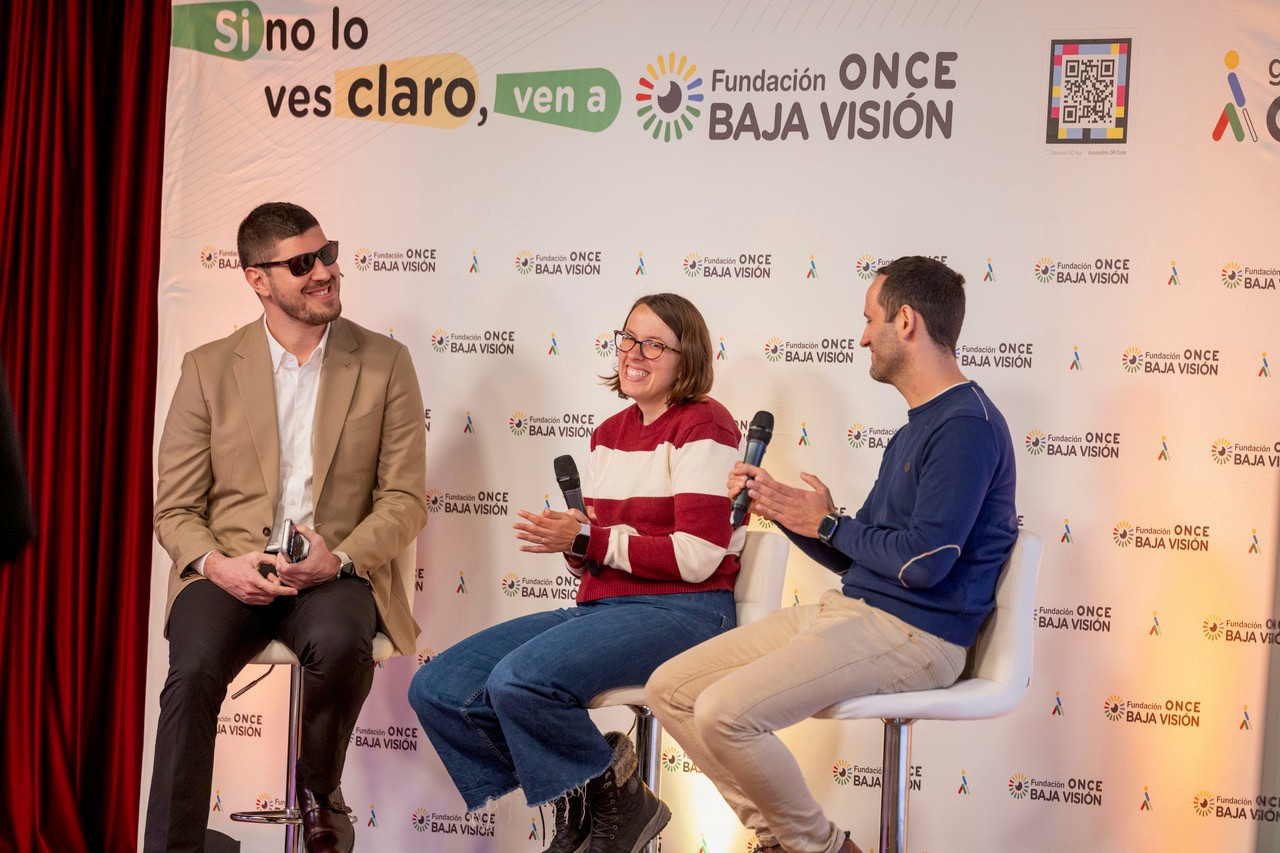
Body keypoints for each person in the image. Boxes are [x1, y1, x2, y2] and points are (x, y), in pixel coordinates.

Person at [646, 256, 1018, 853]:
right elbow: (860, 558)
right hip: (854, 611)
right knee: (671, 688)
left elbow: (924, 564)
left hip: (918, 633)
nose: (862, 336)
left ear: (906, 321)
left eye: (870, 320)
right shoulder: (915, 427)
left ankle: (819, 847)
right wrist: (791, 514)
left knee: (723, 713)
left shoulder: (966, 426)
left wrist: (829, 522)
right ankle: (784, 840)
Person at [409, 293, 745, 853]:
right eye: (628, 339)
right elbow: (605, 550)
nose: (634, 354)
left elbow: (698, 554)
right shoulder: (609, 432)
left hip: (686, 612)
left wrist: (590, 538)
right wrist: (575, 544)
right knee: (439, 688)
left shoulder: (705, 424)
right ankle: (595, 797)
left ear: (688, 358)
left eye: (654, 344)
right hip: (604, 606)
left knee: (519, 680)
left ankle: (613, 806)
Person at [146, 202, 427, 853]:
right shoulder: (209, 367)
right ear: (258, 279)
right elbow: (176, 509)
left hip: (333, 572)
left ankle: (319, 787)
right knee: (190, 674)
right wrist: (219, 564)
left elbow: (406, 497)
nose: (326, 272)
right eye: (304, 263)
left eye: (327, 253)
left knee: (341, 641)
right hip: (229, 569)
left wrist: (344, 556)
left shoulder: (386, 362)